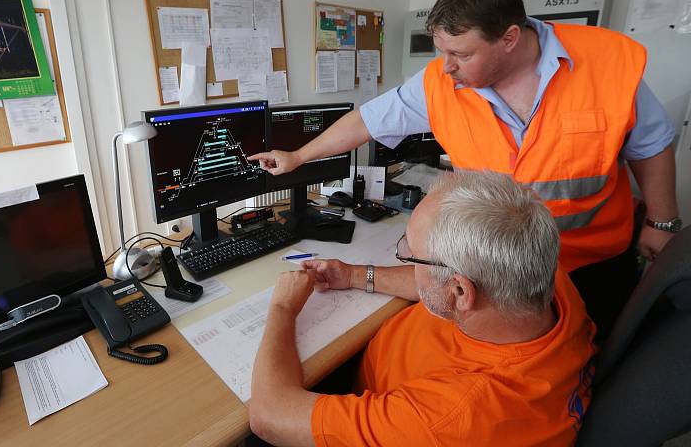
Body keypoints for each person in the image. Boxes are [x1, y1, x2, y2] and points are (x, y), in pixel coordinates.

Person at [249, 0, 680, 339]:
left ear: (510, 38)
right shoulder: (441, 81)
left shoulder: (606, 65)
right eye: (442, 51)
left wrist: (661, 222)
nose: (446, 66)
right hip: (501, 268)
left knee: (591, 367)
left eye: (461, 53)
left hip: (591, 261)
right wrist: (298, 156)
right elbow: (367, 121)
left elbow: (652, 145)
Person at [249, 171, 596, 446]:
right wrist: (354, 274)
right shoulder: (544, 280)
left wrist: (282, 307)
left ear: (461, 290)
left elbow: (268, 416)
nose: (408, 262)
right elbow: (434, 285)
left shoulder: (452, 419)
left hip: (371, 403)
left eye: (412, 254)